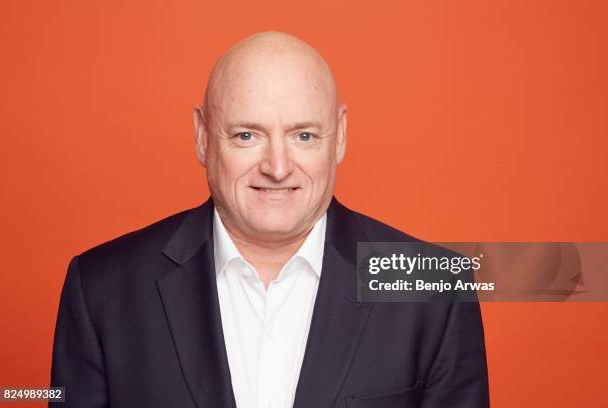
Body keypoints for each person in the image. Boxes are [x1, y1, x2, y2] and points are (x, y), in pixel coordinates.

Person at [50, 31, 489, 408]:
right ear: (203, 138)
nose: (277, 167)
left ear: (340, 138)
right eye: (247, 135)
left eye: (303, 135)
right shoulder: (100, 287)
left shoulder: (436, 289)